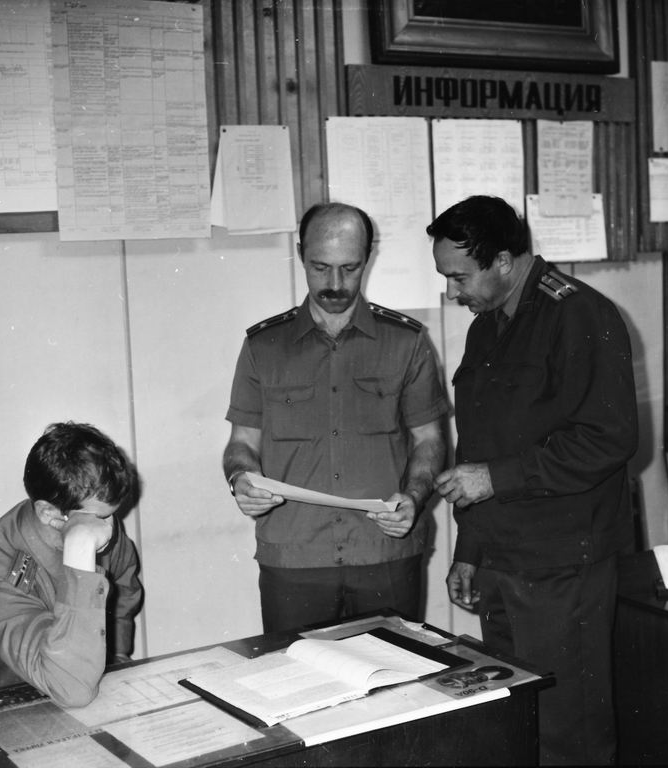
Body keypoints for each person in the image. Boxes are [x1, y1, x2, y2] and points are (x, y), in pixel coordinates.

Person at [427, 196, 638, 766]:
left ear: (502, 260)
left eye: (459, 277)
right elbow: (478, 445)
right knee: (517, 727)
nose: (452, 292)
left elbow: (608, 438)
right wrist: (470, 550)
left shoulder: (580, 315)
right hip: (502, 564)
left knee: (570, 734)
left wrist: (496, 479)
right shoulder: (487, 327)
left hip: (562, 568)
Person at [223, 201, 448, 633]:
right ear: (300, 254)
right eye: (320, 268)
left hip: (384, 552)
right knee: (294, 671)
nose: (335, 284)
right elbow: (242, 443)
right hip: (294, 558)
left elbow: (429, 440)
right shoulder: (264, 347)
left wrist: (415, 496)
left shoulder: (407, 343)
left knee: (396, 673)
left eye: (350, 268)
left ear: (368, 257)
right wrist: (240, 480)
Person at [0, 422, 143, 708]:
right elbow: (71, 689)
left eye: (111, 515)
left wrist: (117, 661)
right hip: (15, 710)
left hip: (87, 692)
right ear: (49, 513)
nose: (109, 529)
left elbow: (124, 592)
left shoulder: (99, 522)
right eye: (100, 519)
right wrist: (79, 552)